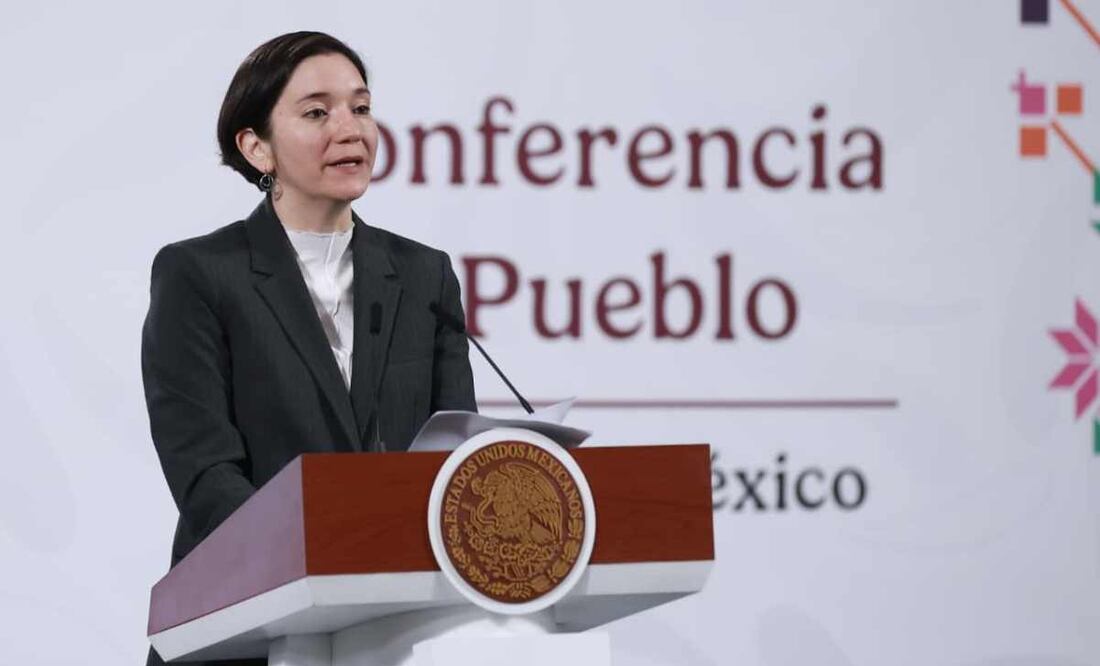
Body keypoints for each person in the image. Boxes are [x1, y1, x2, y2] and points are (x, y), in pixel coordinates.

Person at [141, 31, 476, 666]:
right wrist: (326, 556)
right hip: (239, 628)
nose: (350, 130)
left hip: (394, 632)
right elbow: (207, 476)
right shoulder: (201, 273)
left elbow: (449, 459)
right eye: (317, 112)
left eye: (362, 107)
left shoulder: (423, 275)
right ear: (255, 146)